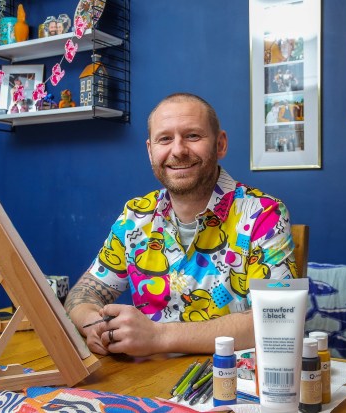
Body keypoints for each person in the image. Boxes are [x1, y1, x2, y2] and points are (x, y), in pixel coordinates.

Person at [64, 93, 298, 357]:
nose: (178, 150)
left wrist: (159, 336)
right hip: (147, 381)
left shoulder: (263, 214)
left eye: (193, 136)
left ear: (220, 145)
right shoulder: (135, 217)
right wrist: (95, 325)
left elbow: (277, 319)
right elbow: (83, 294)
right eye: (165, 139)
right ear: (150, 150)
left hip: (229, 382)